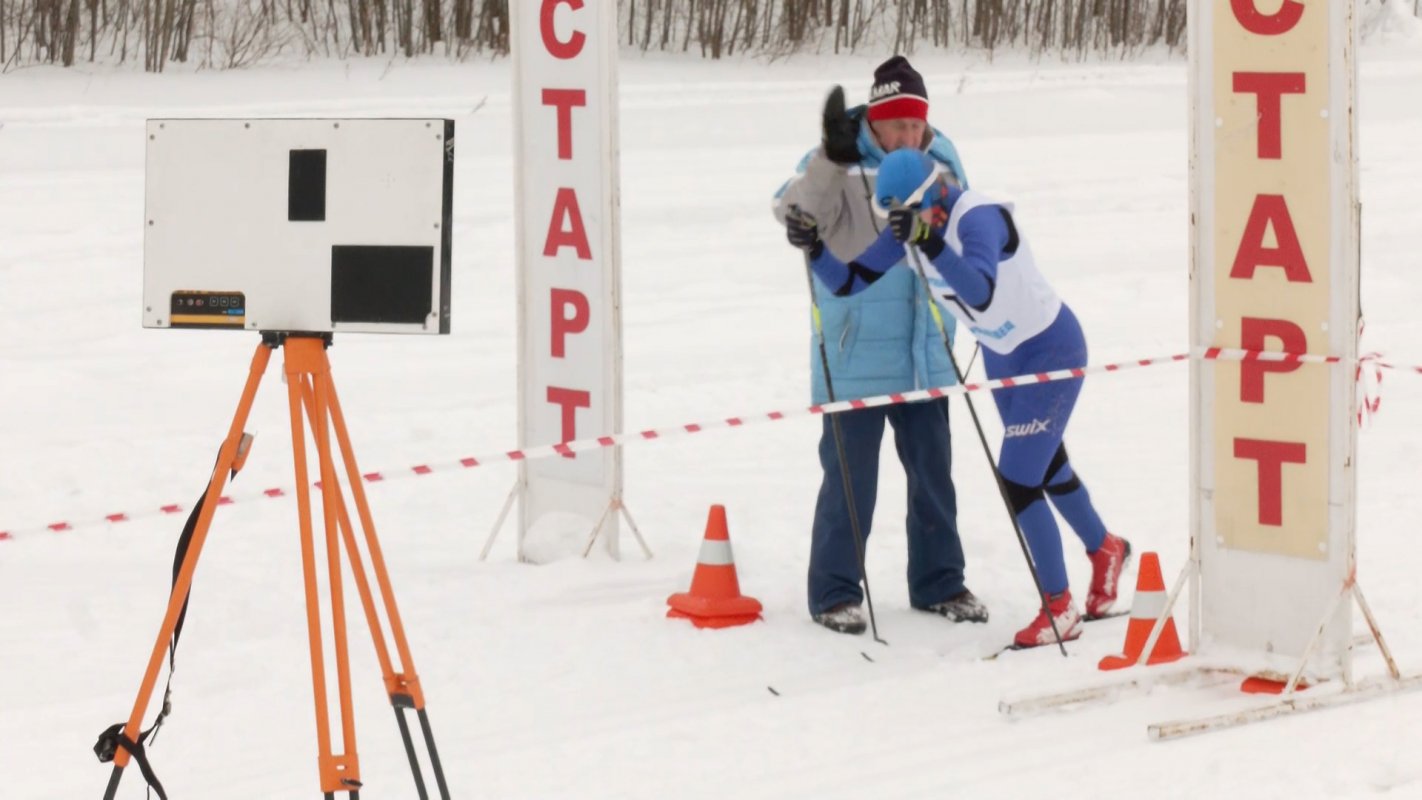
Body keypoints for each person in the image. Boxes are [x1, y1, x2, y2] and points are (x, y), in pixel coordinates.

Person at [784, 147, 1132, 648]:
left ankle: (1059, 607)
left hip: (1050, 351)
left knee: (1018, 477)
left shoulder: (979, 218)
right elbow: (850, 282)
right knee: (1045, 465)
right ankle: (1106, 548)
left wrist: (929, 241)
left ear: (934, 196)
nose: (900, 224)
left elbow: (982, 292)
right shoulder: (912, 228)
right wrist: (815, 248)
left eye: (907, 214)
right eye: (893, 216)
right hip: (1002, 355)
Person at [772, 56, 987, 636]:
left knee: (933, 476)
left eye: (917, 126)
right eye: (898, 127)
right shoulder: (839, 160)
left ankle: (941, 581)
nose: (909, 137)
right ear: (875, 122)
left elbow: (963, 223)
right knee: (849, 479)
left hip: (926, 348)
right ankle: (835, 592)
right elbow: (790, 208)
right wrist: (825, 161)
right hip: (855, 350)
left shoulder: (940, 159)